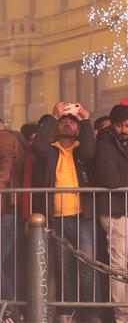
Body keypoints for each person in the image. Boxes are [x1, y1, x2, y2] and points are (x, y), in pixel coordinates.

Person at [32, 102, 97, 321]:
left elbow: (91, 152)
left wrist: (86, 120)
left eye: (73, 121)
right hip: (57, 218)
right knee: (64, 271)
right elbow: (37, 148)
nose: (68, 123)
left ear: (78, 128)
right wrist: (53, 116)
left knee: (88, 269)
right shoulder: (50, 151)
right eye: (64, 120)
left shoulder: (82, 150)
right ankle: (65, 315)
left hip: (83, 217)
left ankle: (89, 314)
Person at [0, 116, 26, 322]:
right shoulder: (15, 139)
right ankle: (14, 312)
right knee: (7, 265)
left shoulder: (0, 138)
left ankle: (11, 313)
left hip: (8, 208)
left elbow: (6, 161)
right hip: (14, 208)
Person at [94, 103, 128, 323]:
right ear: (112, 125)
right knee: (119, 266)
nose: (125, 129)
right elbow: (111, 179)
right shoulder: (105, 142)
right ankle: (121, 316)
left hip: (122, 208)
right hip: (116, 211)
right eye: (120, 125)